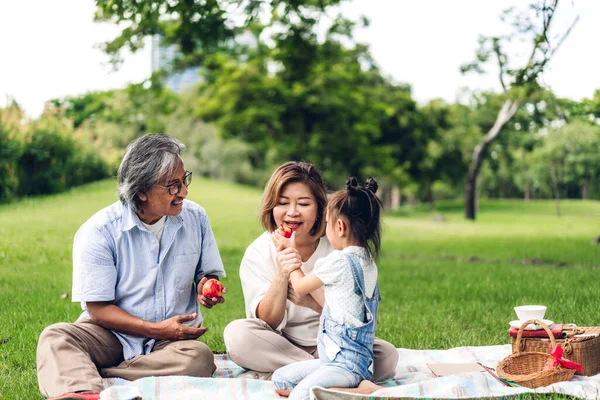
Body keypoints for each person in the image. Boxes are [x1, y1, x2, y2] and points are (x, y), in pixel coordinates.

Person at [36, 133, 227, 400]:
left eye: (184, 180)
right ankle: (85, 392)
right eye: (172, 186)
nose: (183, 192)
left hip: (169, 344)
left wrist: (206, 285)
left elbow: (205, 273)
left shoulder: (195, 217)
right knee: (55, 337)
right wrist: (156, 328)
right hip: (110, 334)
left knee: (199, 358)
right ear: (141, 191)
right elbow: (98, 310)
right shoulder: (99, 231)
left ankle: (101, 374)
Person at [223, 162, 398, 382]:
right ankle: (333, 373)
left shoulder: (337, 244)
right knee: (237, 336)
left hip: (334, 343)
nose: (292, 212)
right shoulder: (258, 251)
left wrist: (310, 303)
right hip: (280, 343)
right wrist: (281, 274)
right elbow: (268, 322)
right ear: (271, 207)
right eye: (283, 203)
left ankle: (303, 373)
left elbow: (355, 313)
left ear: (319, 209)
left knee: (388, 356)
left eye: (304, 204)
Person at [271, 176, 385, 399]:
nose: (325, 231)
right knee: (280, 379)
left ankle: (357, 391)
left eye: (327, 224)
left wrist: (289, 251)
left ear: (340, 227)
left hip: (344, 366)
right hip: (346, 361)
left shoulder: (339, 261)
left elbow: (301, 286)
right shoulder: (367, 262)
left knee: (300, 396)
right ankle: (345, 388)